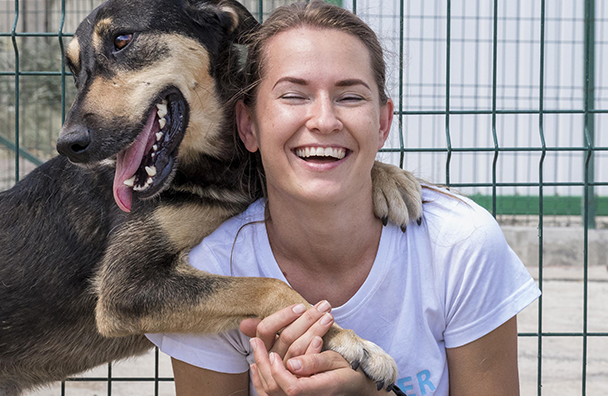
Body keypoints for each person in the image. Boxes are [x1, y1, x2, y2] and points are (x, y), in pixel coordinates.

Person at [147, 2, 540, 395]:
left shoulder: (458, 244)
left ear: (384, 123)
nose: (324, 120)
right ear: (247, 125)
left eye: (350, 97)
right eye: (294, 96)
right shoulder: (216, 271)